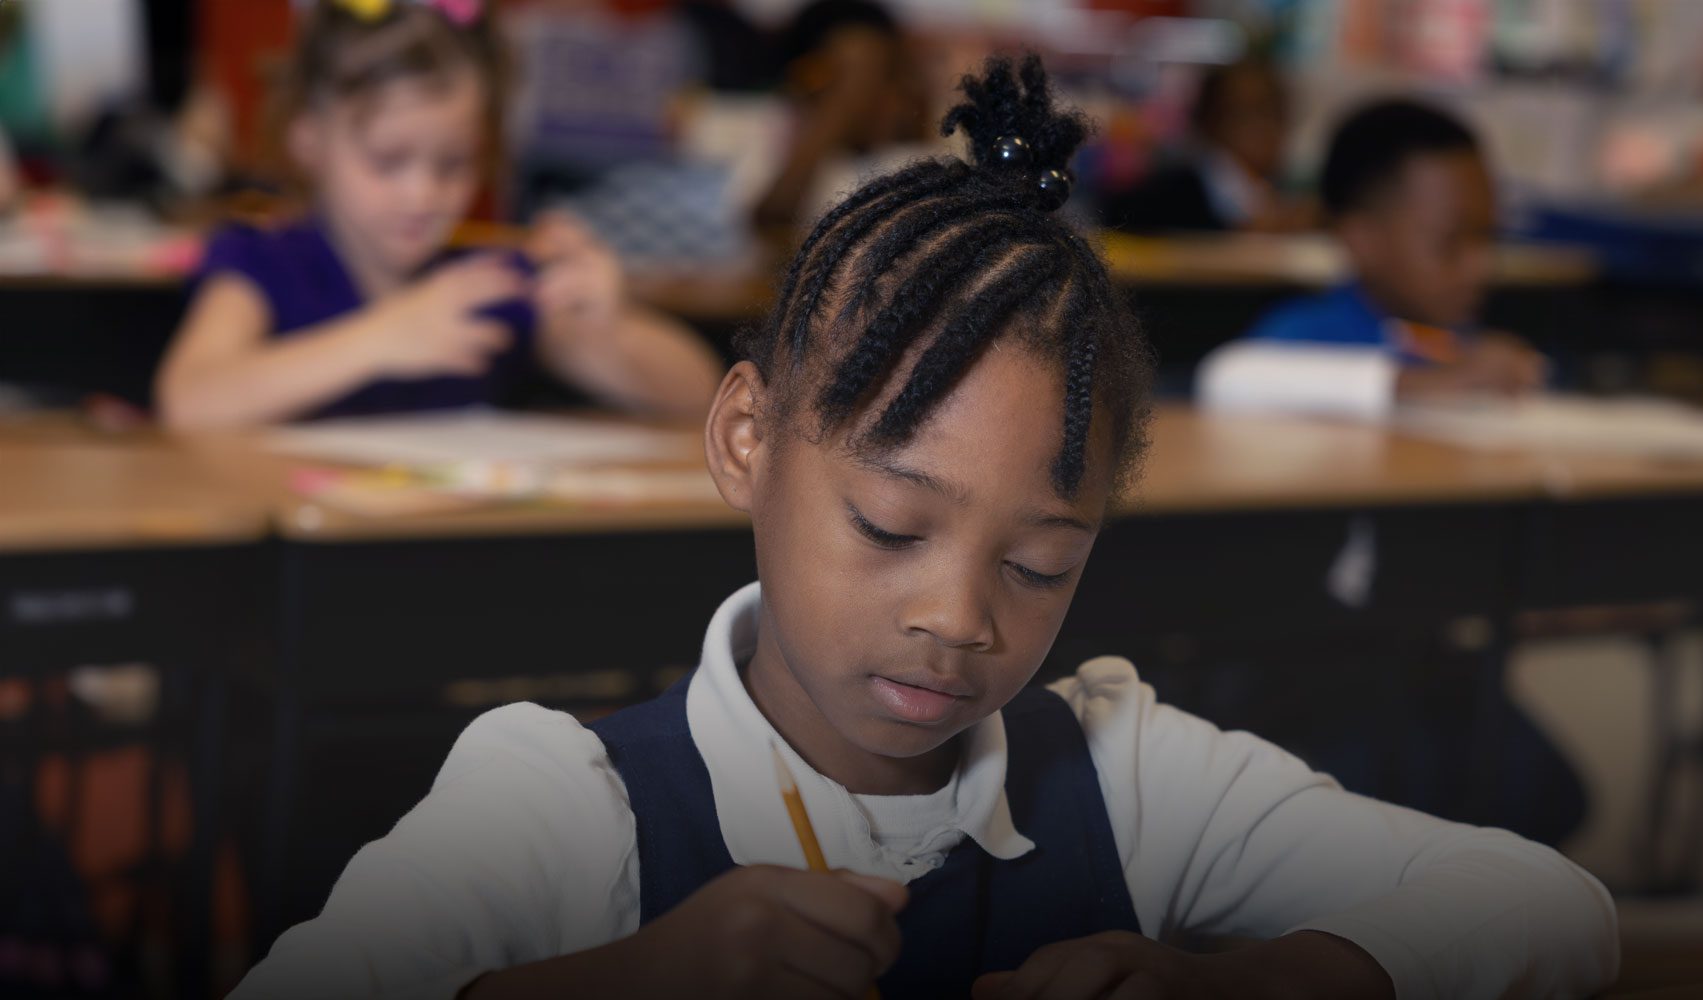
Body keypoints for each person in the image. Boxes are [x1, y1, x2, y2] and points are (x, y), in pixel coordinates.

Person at [233, 58, 1619, 1000]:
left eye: (1038, 565)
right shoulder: (568, 800)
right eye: (890, 525)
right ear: (746, 440)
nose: (959, 620)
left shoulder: (1127, 775)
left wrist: (1266, 974)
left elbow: (1551, 908)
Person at [154, 0, 720, 428]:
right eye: (388, 161)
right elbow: (191, 401)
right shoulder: (262, 261)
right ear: (309, 139)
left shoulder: (487, 281)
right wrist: (380, 339)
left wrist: (612, 328)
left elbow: (703, 399)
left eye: (453, 164)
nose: (422, 194)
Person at [1206, 99, 1545, 418]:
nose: (1479, 266)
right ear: (1362, 239)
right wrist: (1423, 384)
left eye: (1488, 237)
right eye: (1449, 243)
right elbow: (1231, 377)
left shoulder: (1456, 342)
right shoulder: (1303, 332)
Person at [750, 0, 930, 230]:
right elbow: (771, 216)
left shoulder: (916, 164)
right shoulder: (761, 139)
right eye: (856, 80)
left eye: (883, 75)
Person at [1101, 57, 1312, 234]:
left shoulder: (1284, 196)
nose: (1262, 128)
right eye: (1241, 114)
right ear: (1207, 121)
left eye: (1272, 112)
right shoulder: (1167, 196)